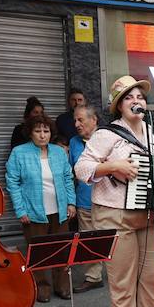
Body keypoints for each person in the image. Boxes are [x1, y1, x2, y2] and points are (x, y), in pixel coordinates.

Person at [74, 76, 154, 307]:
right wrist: (112, 166)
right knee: (122, 279)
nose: (137, 101)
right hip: (114, 213)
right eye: (129, 97)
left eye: (140, 97)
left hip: (150, 214)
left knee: (151, 277)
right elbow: (82, 169)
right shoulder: (106, 135)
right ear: (119, 105)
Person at [6, 114, 76, 302]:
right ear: (30, 133)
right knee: (37, 251)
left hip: (60, 211)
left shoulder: (59, 152)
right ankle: (41, 286)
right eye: (38, 131)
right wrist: (21, 210)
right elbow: (12, 182)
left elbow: (68, 179)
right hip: (34, 212)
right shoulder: (19, 153)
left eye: (46, 131)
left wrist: (71, 202)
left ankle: (61, 286)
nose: (42, 135)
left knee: (61, 249)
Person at [68, 104, 104, 292]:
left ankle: (122, 276)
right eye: (75, 120)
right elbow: (71, 172)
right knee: (88, 241)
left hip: (109, 201)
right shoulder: (74, 142)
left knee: (115, 240)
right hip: (84, 200)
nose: (76, 124)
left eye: (80, 119)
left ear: (94, 120)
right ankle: (93, 276)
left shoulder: (108, 137)